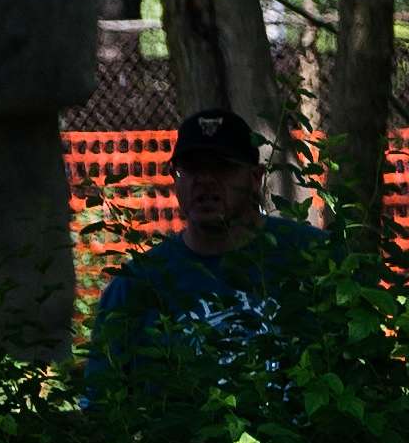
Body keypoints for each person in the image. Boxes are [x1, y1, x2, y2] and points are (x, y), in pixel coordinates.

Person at [83, 109, 324, 382]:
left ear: (255, 178)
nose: (205, 180)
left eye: (222, 166)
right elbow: (101, 401)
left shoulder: (311, 256)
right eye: (191, 168)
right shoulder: (137, 285)